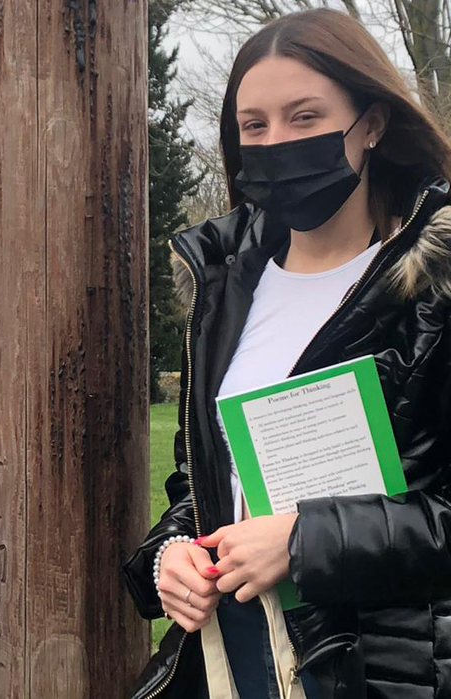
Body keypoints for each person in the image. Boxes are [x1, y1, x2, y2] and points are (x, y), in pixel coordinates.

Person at [123, 9, 451, 699]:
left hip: (382, 671)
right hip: (233, 659)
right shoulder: (226, 287)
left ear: (372, 123)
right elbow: (206, 482)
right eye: (255, 126)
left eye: (305, 118)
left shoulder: (434, 288)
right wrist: (168, 557)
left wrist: (305, 540)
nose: (277, 143)